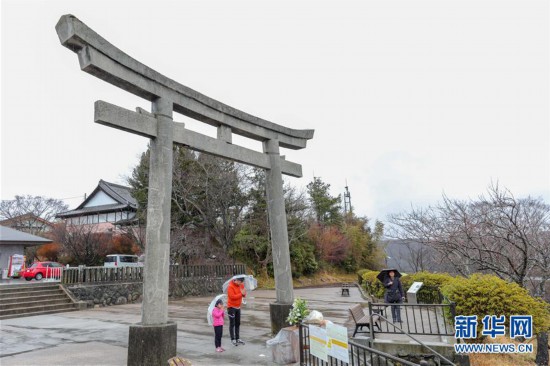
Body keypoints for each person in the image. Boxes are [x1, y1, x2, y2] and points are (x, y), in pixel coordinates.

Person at [227, 276, 246, 346]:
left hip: (238, 307)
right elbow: (232, 297)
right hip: (231, 307)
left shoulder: (241, 285)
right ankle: (233, 339)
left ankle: (238, 338)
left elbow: (244, 295)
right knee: (232, 323)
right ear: (236, 280)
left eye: (241, 282)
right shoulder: (230, 287)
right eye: (240, 282)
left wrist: (244, 293)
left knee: (238, 323)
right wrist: (241, 294)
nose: (240, 283)